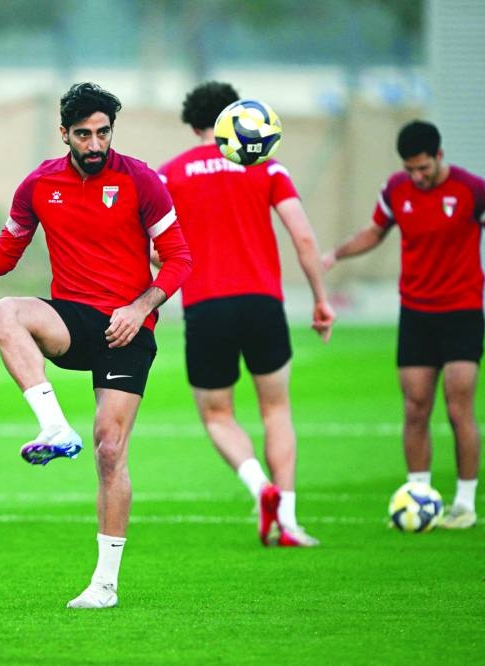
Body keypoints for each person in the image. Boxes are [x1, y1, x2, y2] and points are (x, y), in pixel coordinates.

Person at [0, 82, 192, 608]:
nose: (95, 144)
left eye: (103, 132)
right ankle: (54, 425)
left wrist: (140, 307)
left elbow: (178, 259)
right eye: (83, 134)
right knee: (4, 311)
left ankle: (104, 584)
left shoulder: (142, 181)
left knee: (109, 448)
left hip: (128, 328)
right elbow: (6, 252)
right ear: (64, 133)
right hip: (74, 321)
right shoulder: (40, 183)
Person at [156, 82, 334, 547]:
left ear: (195, 126)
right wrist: (320, 297)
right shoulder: (268, 167)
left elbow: (149, 247)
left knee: (218, 415)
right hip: (263, 304)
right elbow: (305, 238)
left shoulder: (169, 175)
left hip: (206, 305)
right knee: (276, 409)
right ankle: (290, 522)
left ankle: (260, 487)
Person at [323, 120, 485, 529]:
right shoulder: (397, 190)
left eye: (423, 168)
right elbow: (375, 232)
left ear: (439, 156)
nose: (417, 176)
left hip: (462, 311)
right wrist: (335, 255)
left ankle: (464, 504)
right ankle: (418, 496)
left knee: (458, 407)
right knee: (415, 408)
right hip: (415, 312)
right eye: (410, 169)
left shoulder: (472, 190)